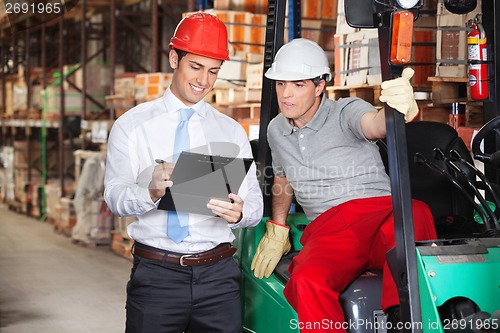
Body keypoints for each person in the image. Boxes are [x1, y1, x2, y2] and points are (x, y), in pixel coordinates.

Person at [250, 38, 437, 332]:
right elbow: (283, 176)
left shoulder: (345, 111)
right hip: (331, 229)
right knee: (307, 281)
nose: (286, 94)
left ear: (320, 85)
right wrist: (277, 226)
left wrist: (396, 112)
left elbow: (373, 124)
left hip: (379, 213)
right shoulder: (276, 129)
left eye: (298, 85)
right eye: (281, 84)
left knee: (416, 213)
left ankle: (404, 319)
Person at [104, 12, 263, 333]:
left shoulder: (231, 131)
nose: (203, 80)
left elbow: (255, 206)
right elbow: (114, 198)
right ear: (174, 57)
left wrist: (239, 213)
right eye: (196, 67)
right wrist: (149, 192)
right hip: (157, 277)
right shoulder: (132, 126)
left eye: (214, 71)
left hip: (218, 278)